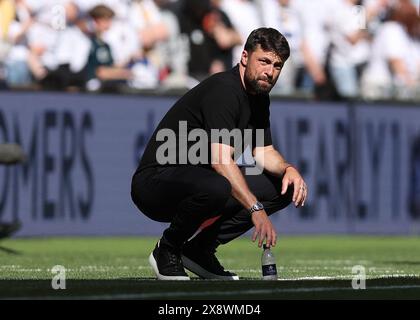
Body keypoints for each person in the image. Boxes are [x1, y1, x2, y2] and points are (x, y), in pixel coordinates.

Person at [131, 28, 307, 280]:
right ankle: (167, 250)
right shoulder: (225, 90)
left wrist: (289, 169)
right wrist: (256, 209)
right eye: (264, 61)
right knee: (218, 185)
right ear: (244, 57)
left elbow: (263, 151)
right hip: (155, 182)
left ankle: (199, 250)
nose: (270, 71)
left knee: (282, 185)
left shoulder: (258, 96)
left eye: (277, 65)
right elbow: (220, 161)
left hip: (202, 184)